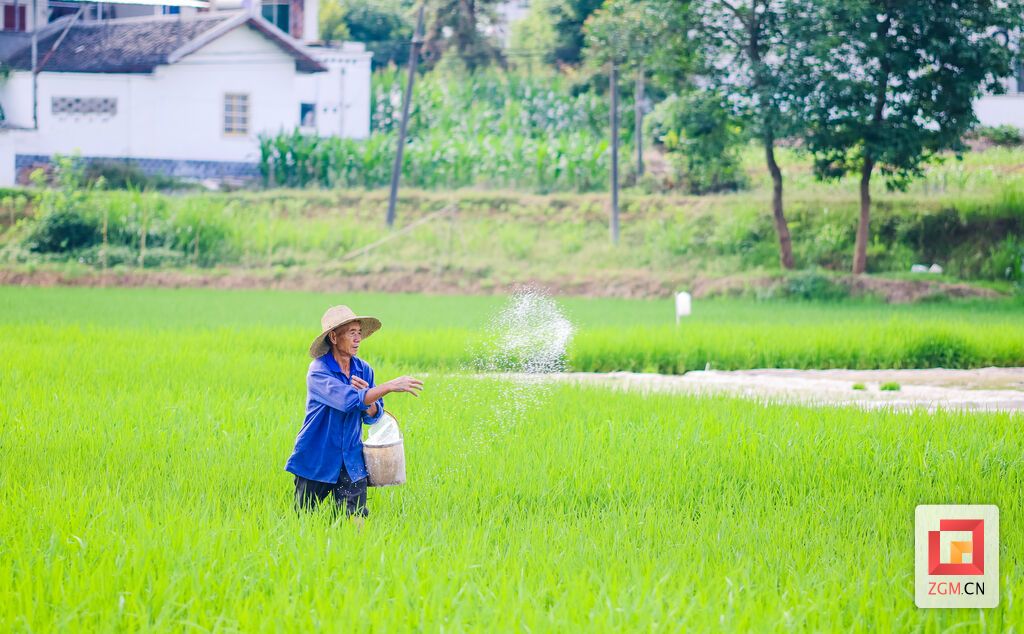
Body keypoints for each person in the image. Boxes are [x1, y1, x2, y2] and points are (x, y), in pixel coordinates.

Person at [285, 305, 423, 518]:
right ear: (333, 336)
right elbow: (347, 402)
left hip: (351, 458)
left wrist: (369, 399)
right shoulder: (319, 372)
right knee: (303, 518)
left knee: (354, 518)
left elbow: (373, 415)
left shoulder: (363, 369)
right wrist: (388, 386)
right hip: (317, 456)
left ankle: (354, 549)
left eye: (359, 333)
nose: (358, 338)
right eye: (352, 333)